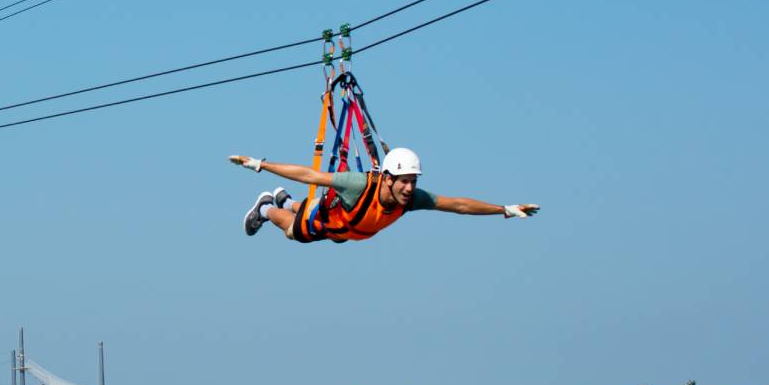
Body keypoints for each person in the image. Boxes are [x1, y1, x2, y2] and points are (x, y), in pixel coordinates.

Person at [227, 148, 537, 242]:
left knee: (333, 230)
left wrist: (505, 209)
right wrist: (260, 165)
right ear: (387, 179)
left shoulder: (411, 199)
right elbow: (310, 175)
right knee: (294, 232)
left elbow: (457, 205)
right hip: (331, 220)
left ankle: (286, 200)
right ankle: (267, 207)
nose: (409, 188)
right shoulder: (358, 184)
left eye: (413, 182)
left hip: (348, 228)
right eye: (404, 182)